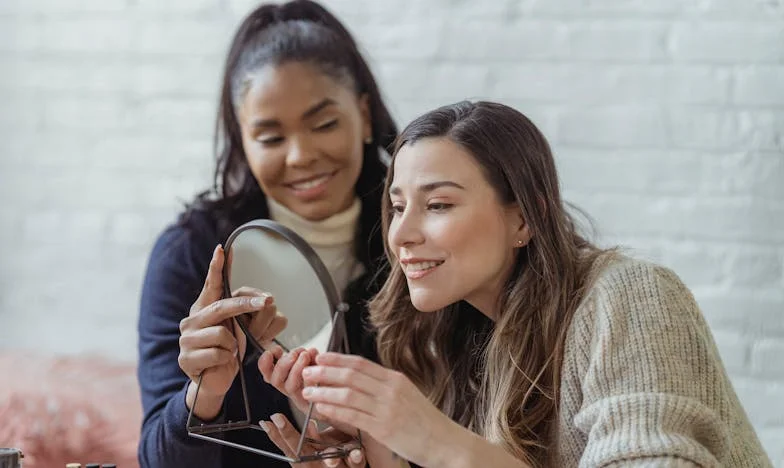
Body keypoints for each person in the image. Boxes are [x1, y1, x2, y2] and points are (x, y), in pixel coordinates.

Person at [261, 101, 773, 467]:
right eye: (397, 207)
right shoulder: (450, 343)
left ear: (525, 219)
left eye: (438, 205)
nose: (402, 234)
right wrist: (381, 452)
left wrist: (438, 443)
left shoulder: (631, 297)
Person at [135, 1, 397, 466]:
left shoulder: (414, 238)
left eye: (324, 124)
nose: (299, 155)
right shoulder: (192, 254)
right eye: (272, 138)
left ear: (365, 116)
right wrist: (205, 393)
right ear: (243, 141)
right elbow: (159, 459)